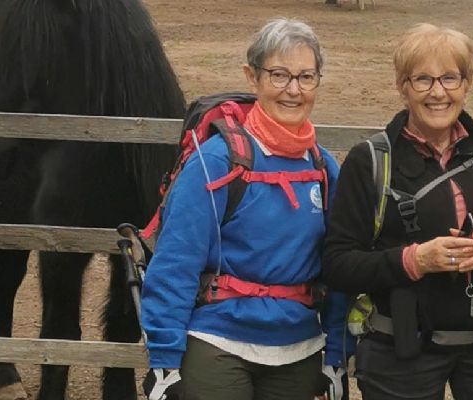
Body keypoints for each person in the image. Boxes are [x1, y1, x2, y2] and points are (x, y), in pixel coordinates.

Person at [137, 17, 354, 400]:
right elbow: (175, 262)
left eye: (306, 77)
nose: (293, 90)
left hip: (299, 346)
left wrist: (335, 355)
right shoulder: (216, 162)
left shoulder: (322, 169)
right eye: (279, 75)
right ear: (251, 78)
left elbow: (339, 271)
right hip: (218, 340)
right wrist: (165, 361)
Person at [320, 23, 473, 400]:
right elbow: (337, 265)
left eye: (450, 78)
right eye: (422, 79)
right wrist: (415, 260)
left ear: (467, 84)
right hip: (400, 355)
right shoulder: (370, 162)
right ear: (402, 86)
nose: (438, 92)